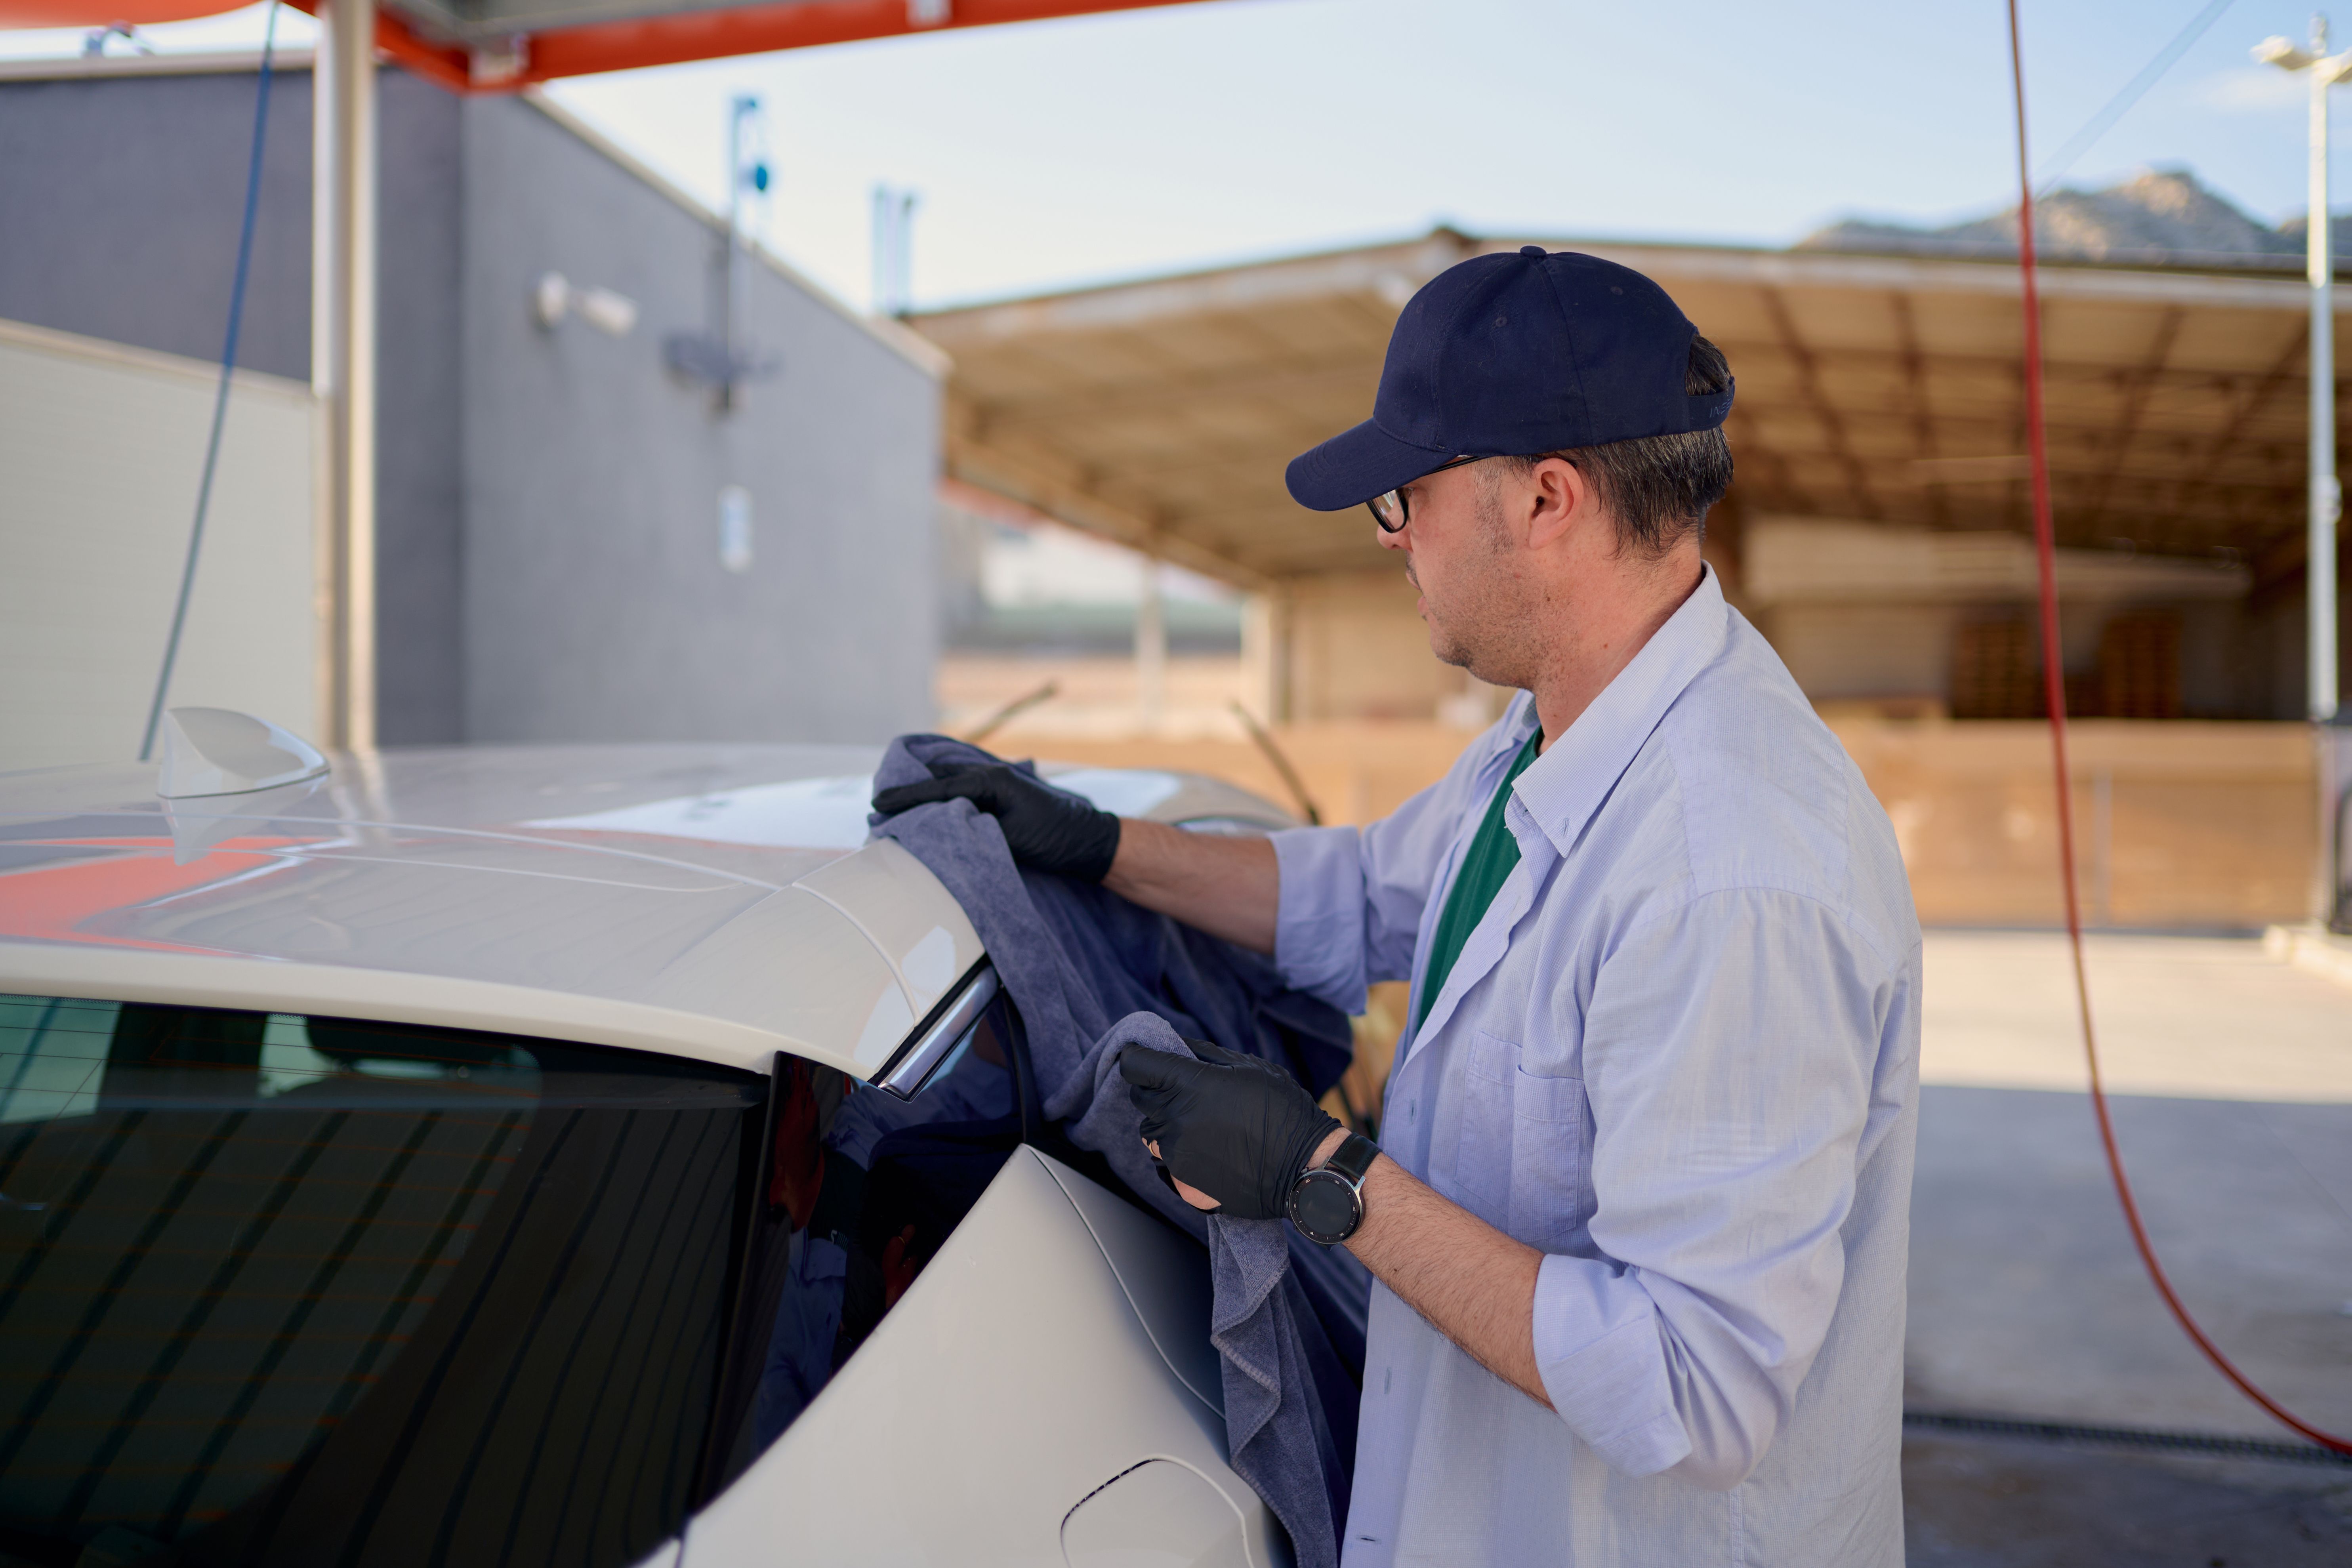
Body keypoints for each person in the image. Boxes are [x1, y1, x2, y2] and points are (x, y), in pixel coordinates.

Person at [872, 246, 1921, 1566]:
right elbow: (1367, 890)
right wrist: (1101, 845)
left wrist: (1324, 1180)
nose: (1389, 537)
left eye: (1404, 497)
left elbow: (1693, 1387)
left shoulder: (1730, 874)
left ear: (1545, 499)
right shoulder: (1555, 733)